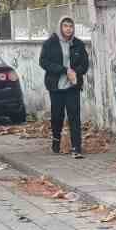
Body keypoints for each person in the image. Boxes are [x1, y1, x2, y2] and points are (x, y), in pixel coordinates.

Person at [39, 17, 90, 158]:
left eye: (71, 26)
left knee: (74, 116)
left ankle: (76, 148)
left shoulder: (78, 44)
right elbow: (43, 62)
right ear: (60, 27)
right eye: (65, 26)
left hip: (72, 86)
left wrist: (75, 72)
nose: (68, 29)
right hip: (56, 86)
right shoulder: (50, 43)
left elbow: (85, 64)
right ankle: (56, 140)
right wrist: (63, 70)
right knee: (57, 116)